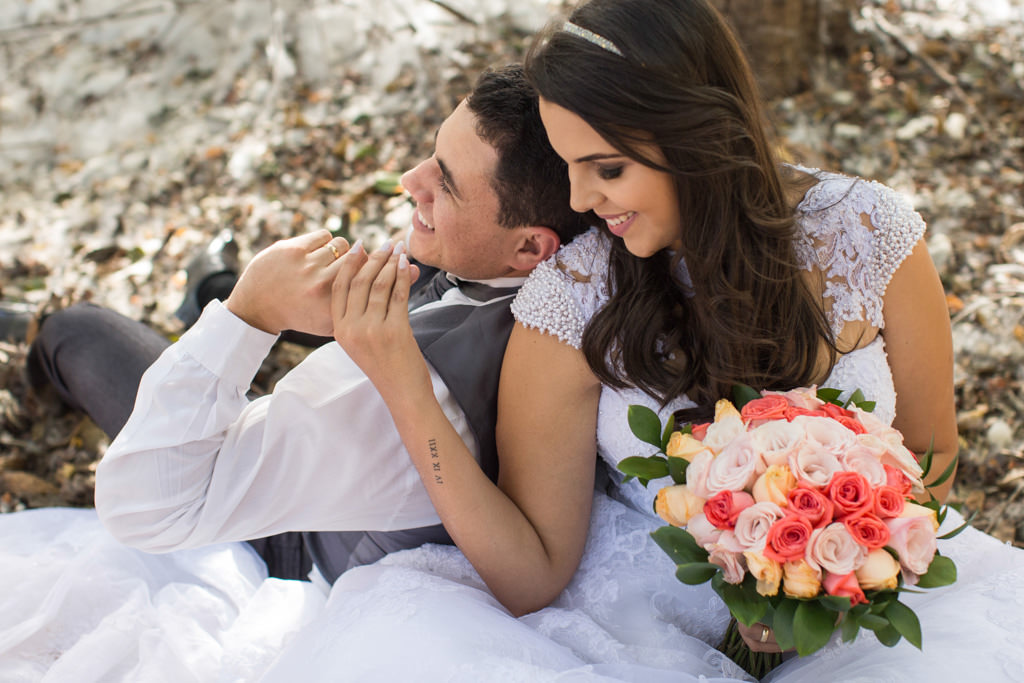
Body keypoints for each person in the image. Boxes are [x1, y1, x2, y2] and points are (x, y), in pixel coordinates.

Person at [262, 0, 1022, 680]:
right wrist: (402, 380)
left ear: (697, 134)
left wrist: (838, 566)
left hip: (861, 612)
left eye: (608, 169)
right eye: (567, 169)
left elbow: (933, 457)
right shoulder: (575, 296)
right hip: (646, 631)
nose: (582, 202)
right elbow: (530, 574)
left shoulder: (868, 233)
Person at [23, 63, 588, 586]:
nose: (409, 180)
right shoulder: (575, 272)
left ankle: (32, 360)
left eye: (446, 183)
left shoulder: (369, 395)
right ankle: (212, 289)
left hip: (292, 542)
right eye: (430, 157)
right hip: (342, 467)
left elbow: (146, 507)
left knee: (78, 330)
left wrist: (250, 315)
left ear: (530, 248)